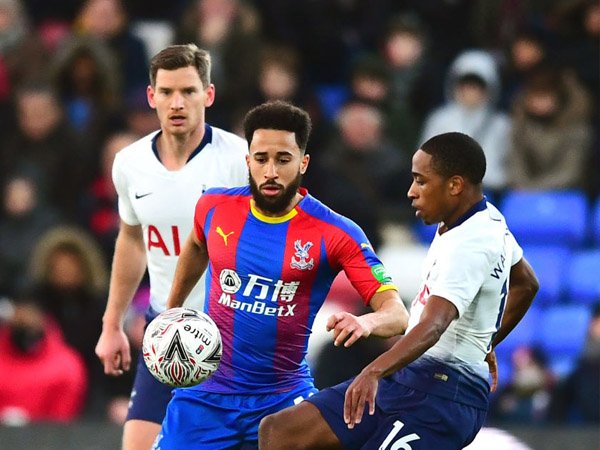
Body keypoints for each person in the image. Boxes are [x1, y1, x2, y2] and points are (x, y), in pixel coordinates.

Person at [259, 131, 540, 450]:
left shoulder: (470, 245)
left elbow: (434, 325)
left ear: (455, 185)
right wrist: (484, 339)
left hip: (443, 399)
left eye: (421, 181)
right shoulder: (483, 219)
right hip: (410, 378)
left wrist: (373, 371)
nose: (411, 192)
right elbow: (527, 282)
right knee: (280, 431)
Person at [153, 100, 409, 449]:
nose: (270, 171)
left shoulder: (336, 232)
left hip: (282, 400)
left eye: (283, 159)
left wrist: (367, 323)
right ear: (248, 161)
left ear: (302, 162)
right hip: (205, 397)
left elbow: (397, 314)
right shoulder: (213, 207)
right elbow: (198, 246)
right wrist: (173, 311)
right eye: (261, 159)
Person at [94, 43, 248, 450]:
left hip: (231, 336)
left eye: (188, 91)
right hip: (165, 329)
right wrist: (112, 326)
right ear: (151, 97)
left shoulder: (239, 159)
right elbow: (132, 239)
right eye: (166, 92)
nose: (176, 103)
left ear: (208, 95)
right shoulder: (129, 163)